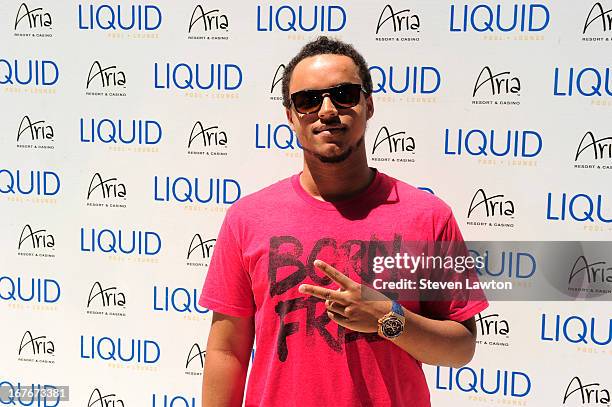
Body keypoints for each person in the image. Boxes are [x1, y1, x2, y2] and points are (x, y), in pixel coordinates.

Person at [199, 36, 488, 407]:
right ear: (290, 115)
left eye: (344, 94)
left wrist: (388, 317)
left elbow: (460, 349)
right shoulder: (247, 219)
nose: (327, 110)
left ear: (368, 105)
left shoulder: (429, 217)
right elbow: (227, 351)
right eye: (307, 100)